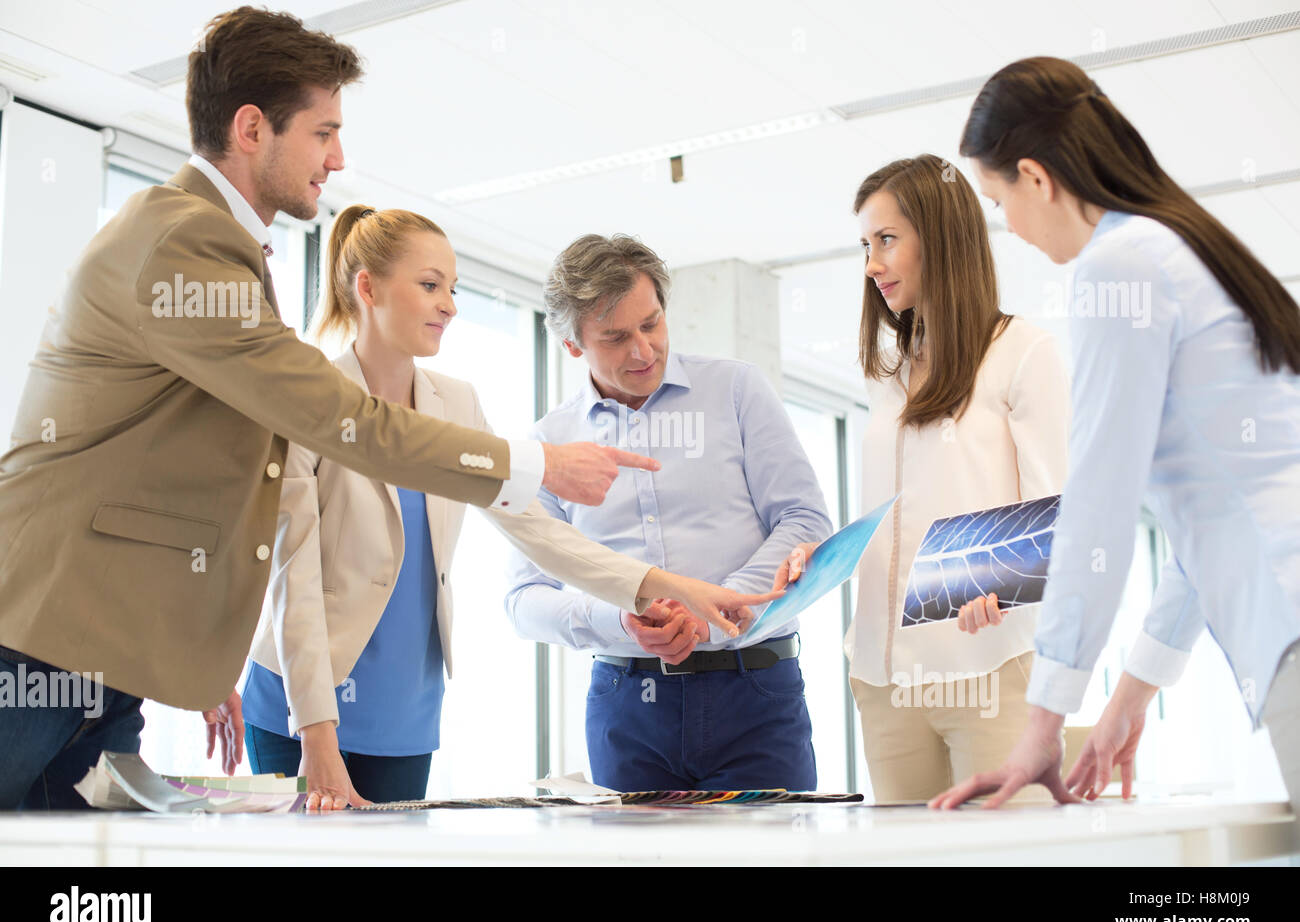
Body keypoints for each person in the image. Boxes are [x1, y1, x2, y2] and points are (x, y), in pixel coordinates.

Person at [0, 7, 767, 811]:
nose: (337, 157)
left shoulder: (218, 249)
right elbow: (345, 434)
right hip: (45, 629)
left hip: (111, 645)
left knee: (77, 860)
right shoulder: (184, 241)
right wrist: (542, 461)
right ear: (253, 128)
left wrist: (657, 584)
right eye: (323, 132)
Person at [242, 206, 777, 809]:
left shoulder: (456, 404)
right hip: (301, 706)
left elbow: (539, 533)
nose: (448, 305)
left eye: (452, 288)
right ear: (367, 288)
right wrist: (316, 734)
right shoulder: (311, 399)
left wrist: (662, 586)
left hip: (405, 708)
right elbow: (294, 578)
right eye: (429, 285)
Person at [929, 56, 1300, 813]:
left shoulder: (1118, 268)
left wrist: (1044, 722)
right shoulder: (1184, 244)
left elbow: (1102, 503)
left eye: (1000, 201)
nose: (1010, 227)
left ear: (1035, 176)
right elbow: (1215, 512)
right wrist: (1131, 694)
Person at [773, 154, 1071, 802]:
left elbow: (1061, 518)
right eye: (865, 245)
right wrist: (818, 559)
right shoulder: (888, 375)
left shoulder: (1023, 353)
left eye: (886, 240)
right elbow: (895, 521)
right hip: (885, 681)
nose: (871, 264)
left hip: (989, 668)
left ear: (938, 237)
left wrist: (1004, 582)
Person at [504, 234, 834, 792]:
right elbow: (524, 600)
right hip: (627, 703)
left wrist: (714, 611)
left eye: (651, 324)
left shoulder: (736, 390)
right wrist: (621, 619)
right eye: (615, 337)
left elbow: (804, 521)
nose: (642, 350)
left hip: (754, 689)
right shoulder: (551, 444)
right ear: (571, 344)